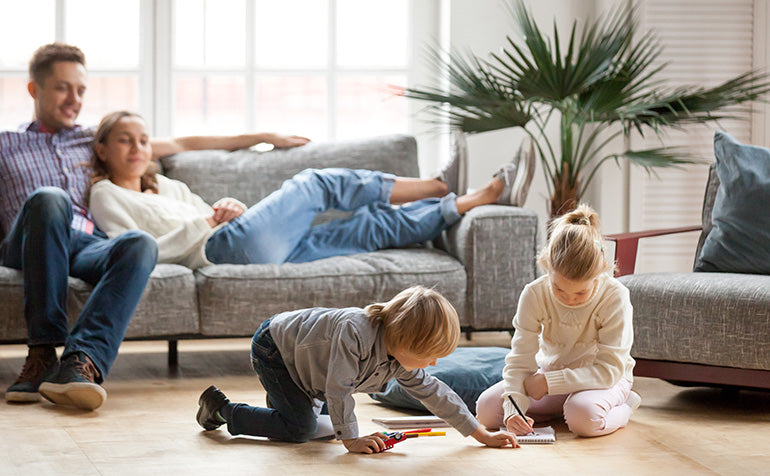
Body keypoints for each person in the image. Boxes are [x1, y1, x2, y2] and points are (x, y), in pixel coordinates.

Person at [0, 43, 307, 410]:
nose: (74, 99)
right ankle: (42, 352)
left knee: (139, 243)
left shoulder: (91, 139)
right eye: (63, 88)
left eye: (81, 90)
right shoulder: (7, 144)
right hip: (28, 242)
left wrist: (263, 136)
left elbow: (183, 142)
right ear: (35, 89)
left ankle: (80, 365)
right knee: (51, 199)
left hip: (83, 243)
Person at [86, 111, 523, 268]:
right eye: (125, 140)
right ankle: (436, 184)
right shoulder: (106, 195)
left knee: (366, 228)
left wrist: (228, 206)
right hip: (221, 249)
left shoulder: (165, 185)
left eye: (143, 140)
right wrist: (207, 222)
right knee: (316, 183)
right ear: (102, 149)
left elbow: (208, 209)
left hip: (241, 241)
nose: (138, 148)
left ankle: (469, 200)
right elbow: (132, 251)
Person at [195, 286, 519, 453]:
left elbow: (436, 394)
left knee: (317, 429)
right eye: (429, 356)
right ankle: (222, 409)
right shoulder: (355, 331)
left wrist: (482, 434)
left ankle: (284, 409)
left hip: (309, 369)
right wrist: (352, 440)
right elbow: (339, 389)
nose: (432, 364)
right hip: (276, 350)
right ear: (404, 341)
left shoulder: (400, 358)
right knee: (301, 430)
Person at [475, 204, 641, 438]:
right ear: (546, 266)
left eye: (581, 293)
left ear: (601, 272)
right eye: (559, 289)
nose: (569, 300)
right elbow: (520, 361)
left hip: (604, 380)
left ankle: (623, 406)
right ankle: (563, 409)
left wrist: (549, 383)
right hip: (551, 376)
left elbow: (609, 370)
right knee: (486, 411)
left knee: (583, 419)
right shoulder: (534, 293)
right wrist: (514, 410)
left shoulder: (615, 296)